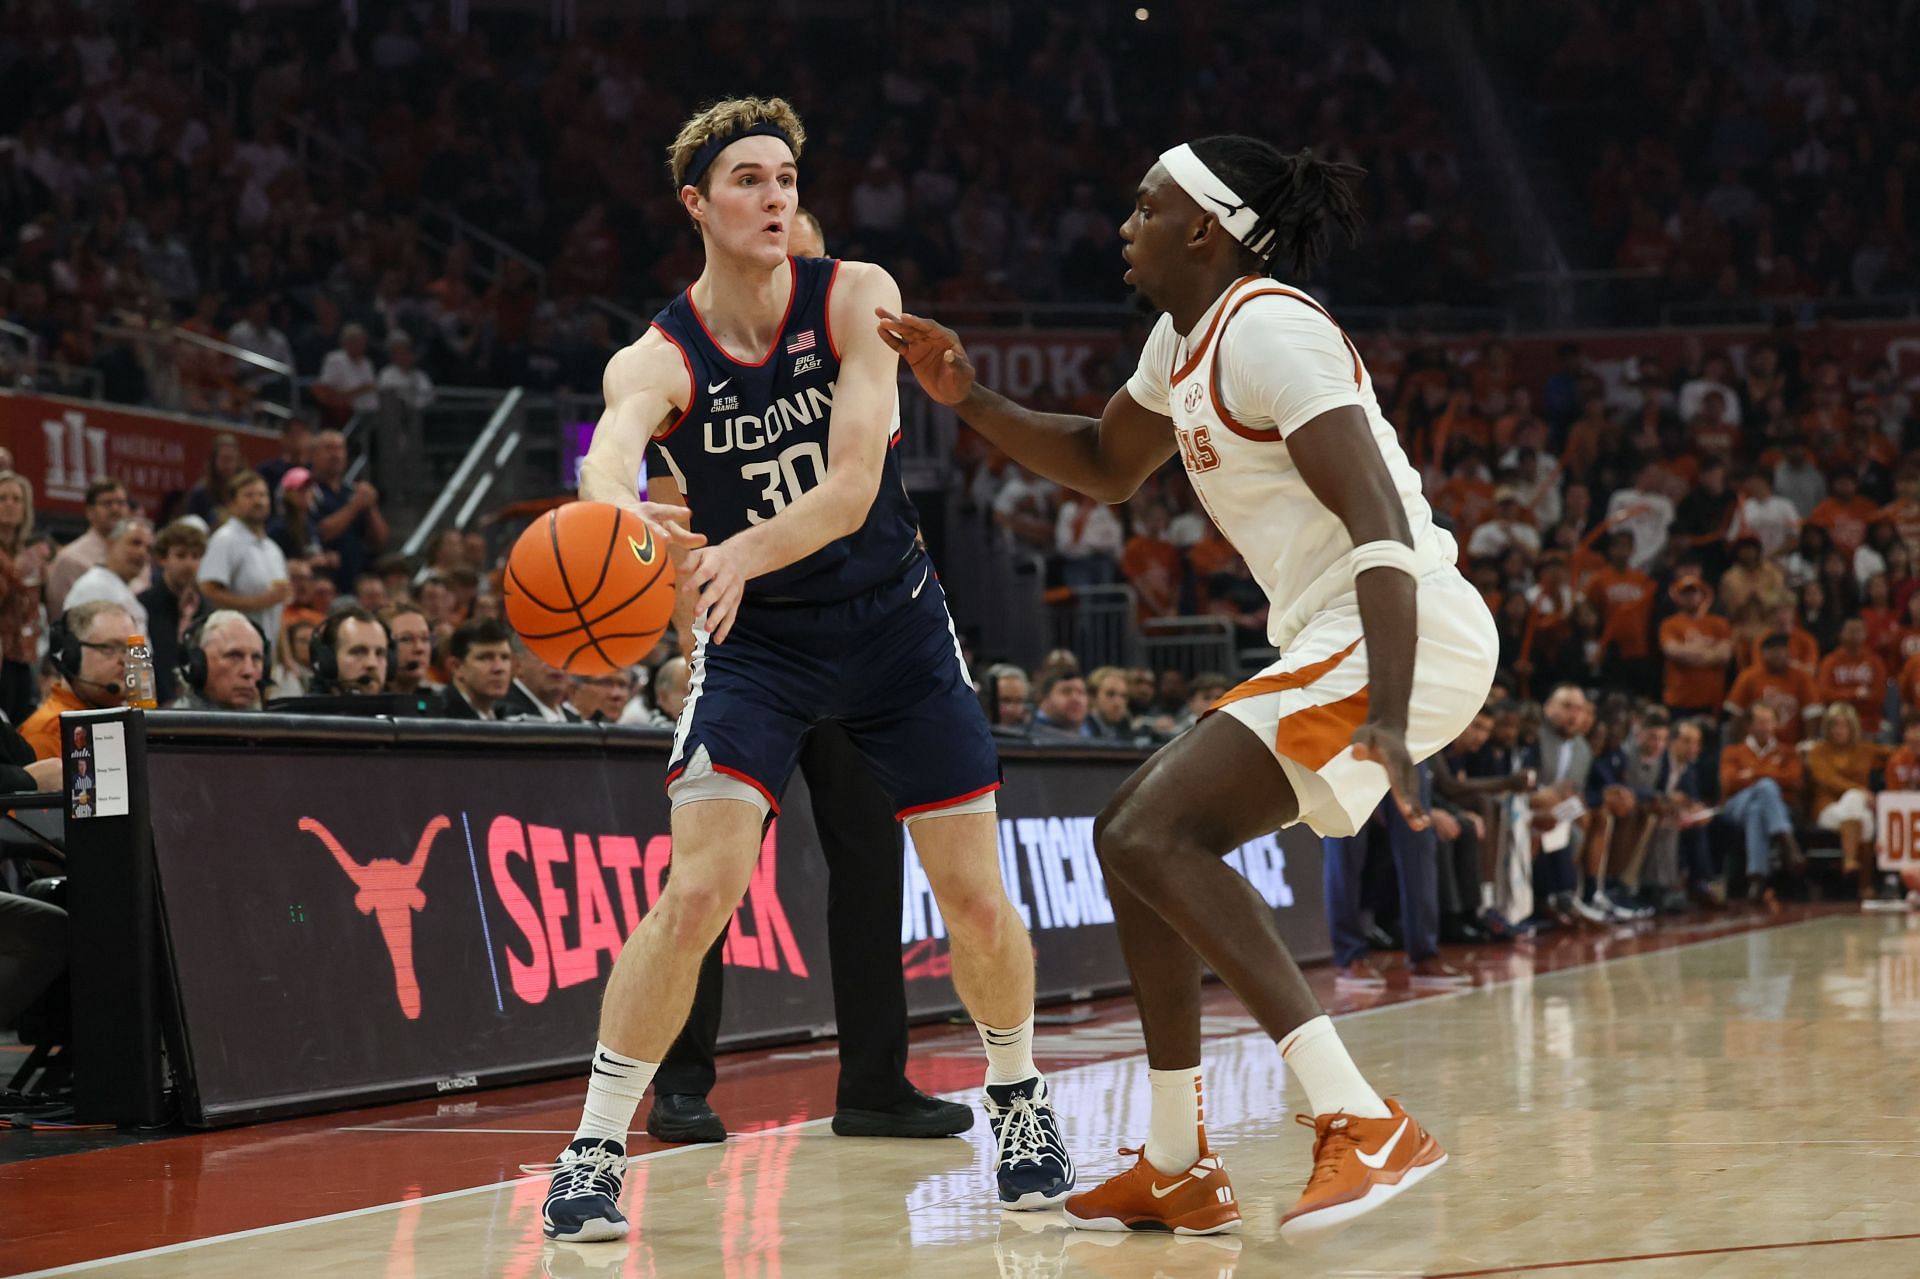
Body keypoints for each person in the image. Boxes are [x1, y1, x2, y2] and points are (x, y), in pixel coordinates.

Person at [880, 133, 1496, 1239]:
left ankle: (1360, 1116)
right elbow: (1109, 466)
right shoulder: (1185, 339)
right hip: (1337, 629)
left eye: (1146, 205)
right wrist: (965, 397)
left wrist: (1393, 712)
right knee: (1134, 835)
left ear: (1204, 228)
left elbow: (1385, 526)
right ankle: (1175, 1161)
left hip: (1404, 621)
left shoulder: (1273, 329)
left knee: (1155, 829)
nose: (1126, 225)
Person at [539, 98, 1068, 1243]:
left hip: (895, 632)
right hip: (760, 646)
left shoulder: (855, 295)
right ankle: (591, 1148)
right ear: (697, 204)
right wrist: (619, 529)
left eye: (786, 176)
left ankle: (1019, 1099)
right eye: (748, 179)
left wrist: (726, 550)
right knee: (694, 895)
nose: (776, 196)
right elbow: (614, 449)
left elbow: (853, 490)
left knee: (974, 898)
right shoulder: (660, 350)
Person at [20, 601, 133, 759]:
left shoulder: (130, 720)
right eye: (109, 648)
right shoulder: (49, 732)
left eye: (131, 649)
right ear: (72, 655)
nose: (126, 660)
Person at [1716, 703, 1805, 900]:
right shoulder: (1732, 752)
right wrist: (1771, 775)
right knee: (1766, 787)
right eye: (1761, 722)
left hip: (1776, 807)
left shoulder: (1787, 752)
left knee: (1757, 810)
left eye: (1769, 722)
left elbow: (1795, 781)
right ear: (1748, 726)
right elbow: (1729, 783)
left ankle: (1757, 879)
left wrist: (1752, 774)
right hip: (1736, 806)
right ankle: (1786, 840)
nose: (1766, 727)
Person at [198, 471, 291, 649]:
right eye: (249, 495)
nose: (258, 501)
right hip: (230, 647)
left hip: (266, 650)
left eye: (263, 495)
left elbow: (277, 609)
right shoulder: (225, 540)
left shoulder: (273, 549)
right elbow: (208, 590)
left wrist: (285, 658)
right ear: (232, 503)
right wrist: (258, 602)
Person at [1806, 703, 1889, 898]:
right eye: (1835, 725)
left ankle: (1852, 865)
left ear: (1853, 727)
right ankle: (1864, 882)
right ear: (1827, 727)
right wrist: (1860, 790)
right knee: (1856, 802)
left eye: (1844, 725)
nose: (1839, 730)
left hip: (1855, 811)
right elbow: (1826, 779)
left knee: (1863, 816)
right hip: (1827, 811)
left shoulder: (1865, 750)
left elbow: (1896, 754)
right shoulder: (1818, 751)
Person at [45, 479, 147, 616]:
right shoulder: (70, 559)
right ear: (90, 511)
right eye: (108, 503)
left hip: (134, 634)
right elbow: (61, 620)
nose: (115, 509)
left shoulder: (139, 556)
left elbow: (141, 616)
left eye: (121, 503)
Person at [139, 521, 207, 707]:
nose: (188, 564)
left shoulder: (206, 608)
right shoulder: (143, 605)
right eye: (180, 555)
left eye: (195, 556)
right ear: (163, 558)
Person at [62, 518, 153, 634]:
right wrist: (140, 652)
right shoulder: (94, 587)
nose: (142, 553)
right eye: (135, 543)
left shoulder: (116, 587)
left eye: (149, 549)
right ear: (111, 543)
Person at [170, 610, 266, 711]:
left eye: (256, 658)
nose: (249, 671)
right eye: (234, 656)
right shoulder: (173, 726)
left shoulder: (272, 725)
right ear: (198, 665)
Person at [431, 618, 513, 720]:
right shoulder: (436, 718)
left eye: (505, 657)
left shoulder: (508, 715)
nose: (499, 668)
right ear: (457, 667)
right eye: (485, 658)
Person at [309, 606, 390, 696]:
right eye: (358, 652)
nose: (372, 663)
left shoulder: (403, 708)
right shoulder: (301, 710)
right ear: (328, 660)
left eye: (380, 653)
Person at [496, 637, 582, 723]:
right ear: (517, 664)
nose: (556, 664)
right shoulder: (502, 714)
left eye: (564, 654)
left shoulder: (574, 719)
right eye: (544, 653)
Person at [379, 603, 436, 696]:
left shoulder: (441, 702)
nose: (420, 648)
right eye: (406, 639)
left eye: (425, 638)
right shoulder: (364, 702)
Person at [1030, 668, 1091, 738]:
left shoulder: (1095, 730)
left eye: (1081, 692)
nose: (1076, 699)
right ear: (1043, 700)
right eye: (1066, 692)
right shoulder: (1027, 736)